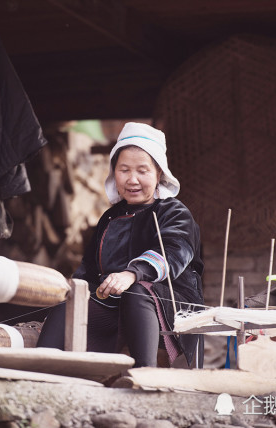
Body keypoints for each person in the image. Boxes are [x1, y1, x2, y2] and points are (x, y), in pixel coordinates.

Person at [37, 122, 204, 367]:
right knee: (68, 306)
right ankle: (40, 370)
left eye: (142, 170)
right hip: (114, 303)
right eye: (124, 170)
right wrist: (72, 288)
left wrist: (132, 274)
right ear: (113, 171)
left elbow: (174, 253)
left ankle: (143, 375)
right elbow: (90, 268)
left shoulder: (175, 212)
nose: (132, 179)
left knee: (137, 292)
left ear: (159, 174)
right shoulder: (110, 217)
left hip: (171, 304)